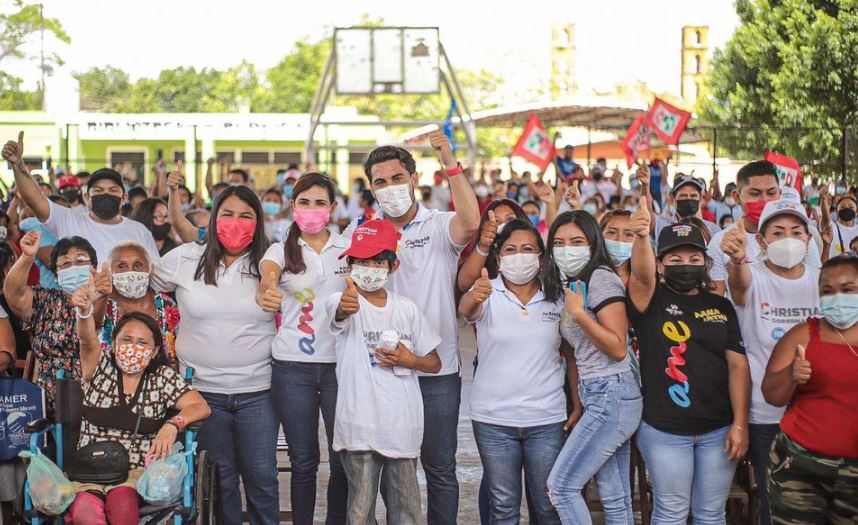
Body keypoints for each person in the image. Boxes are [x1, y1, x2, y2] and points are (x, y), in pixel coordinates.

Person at [343, 131, 480, 523]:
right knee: (391, 467)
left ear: (414, 179)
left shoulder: (438, 225)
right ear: (371, 188)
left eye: (397, 178)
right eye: (380, 182)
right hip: (384, 369)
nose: (390, 188)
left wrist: (447, 156)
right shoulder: (365, 234)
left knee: (439, 467)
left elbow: (470, 222)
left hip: (437, 368)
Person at [151, 185, 279, 524]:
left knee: (262, 477)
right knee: (219, 481)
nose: (236, 222)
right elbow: (141, 287)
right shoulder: (184, 258)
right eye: (227, 214)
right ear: (213, 217)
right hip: (202, 394)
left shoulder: (271, 262)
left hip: (259, 392)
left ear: (258, 222)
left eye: (246, 216)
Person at [628, 203, 751, 525]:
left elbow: (738, 366)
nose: (686, 265)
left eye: (694, 259)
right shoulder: (649, 300)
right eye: (676, 259)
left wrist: (740, 424)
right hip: (664, 430)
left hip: (719, 429)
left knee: (711, 514)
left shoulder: (720, 306)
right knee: (671, 512)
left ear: (706, 263)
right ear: (660, 264)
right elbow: (640, 274)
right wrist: (642, 236)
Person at [327, 219, 441, 524]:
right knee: (360, 512)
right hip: (358, 426)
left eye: (378, 261)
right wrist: (346, 305)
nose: (370, 268)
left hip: (402, 427)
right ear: (349, 266)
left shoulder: (407, 309)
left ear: (393, 266)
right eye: (362, 261)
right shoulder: (342, 301)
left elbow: (434, 362)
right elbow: (340, 313)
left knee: (407, 511)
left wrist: (409, 360)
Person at [458, 219, 566, 524]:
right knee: (503, 507)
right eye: (511, 249)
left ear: (541, 258)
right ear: (498, 257)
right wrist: (474, 296)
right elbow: (467, 310)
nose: (520, 256)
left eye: (528, 249)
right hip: (493, 420)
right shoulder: (487, 291)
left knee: (547, 507)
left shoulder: (556, 297)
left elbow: (569, 352)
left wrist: (577, 406)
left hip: (546, 418)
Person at [256, 173, 348, 525]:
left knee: (343, 458)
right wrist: (267, 289)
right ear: (292, 206)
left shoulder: (347, 247)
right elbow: (267, 277)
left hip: (341, 365)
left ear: (333, 207)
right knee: (304, 461)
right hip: (293, 368)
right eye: (304, 202)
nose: (312, 209)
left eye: (320, 202)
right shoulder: (279, 250)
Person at [67, 297, 209, 525]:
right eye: (126, 340)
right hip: (88, 472)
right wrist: (85, 312)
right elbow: (86, 340)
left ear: (154, 352)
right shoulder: (99, 368)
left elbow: (200, 406)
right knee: (86, 512)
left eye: (142, 343)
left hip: (133, 475)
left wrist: (173, 424)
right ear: (113, 345)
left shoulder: (161, 378)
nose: (133, 347)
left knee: (122, 508)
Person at [721, 197, 819, 525]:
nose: (788, 239)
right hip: (766, 416)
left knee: (818, 502)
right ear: (761, 241)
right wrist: (736, 260)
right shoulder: (754, 276)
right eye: (777, 232)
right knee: (774, 503)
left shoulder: (823, 282)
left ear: (808, 238)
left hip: (817, 413)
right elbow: (739, 286)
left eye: (796, 231)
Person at [542, 211, 641, 525]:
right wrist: (579, 403)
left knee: (561, 487)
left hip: (613, 391)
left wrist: (581, 315)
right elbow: (573, 356)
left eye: (576, 241)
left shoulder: (601, 277)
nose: (566, 249)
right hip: (597, 393)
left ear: (592, 243)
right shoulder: (573, 282)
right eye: (558, 242)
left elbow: (617, 347)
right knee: (615, 497)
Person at [762, 255, 858, 524]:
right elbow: (771, 395)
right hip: (800, 465)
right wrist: (792, 375)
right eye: (828, 291)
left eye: (848, 289)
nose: (837, 297)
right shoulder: (803, 334)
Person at [2, 132, 159, 266]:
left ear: (124, 197)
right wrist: (18, 165)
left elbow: (154, 273)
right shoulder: (69, 220)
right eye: (98, 190)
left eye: (112, 190)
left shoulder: (139, 232)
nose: (105, 194)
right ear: (86, 197)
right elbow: (35, 200)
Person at [3, 231, 97, 410]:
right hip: (48, 399)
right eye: (66, 264)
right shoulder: (45, 301)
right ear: (56, 274)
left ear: (93, 267)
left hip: (95, 397)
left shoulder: (107, 303)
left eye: (80, 261)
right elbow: (14, 293)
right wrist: (27, 257)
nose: (74, 268)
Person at [708, 161, 821, 296]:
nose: (765, 200)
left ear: (780, 194)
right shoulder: (722, 242)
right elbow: (716, 299)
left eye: (771, 193)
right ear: (737, 197)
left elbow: (815, 286)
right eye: (755, 194)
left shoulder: (799, 237)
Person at [96, 241, 181, 367]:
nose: (130, 272)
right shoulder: (103, 305)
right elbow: (89, 329)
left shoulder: (166, 305)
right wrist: (100, 296)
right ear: (110, 272)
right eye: (121, 266)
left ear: (150, 270)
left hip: (163, 383)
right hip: (112, 383)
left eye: (138, 265)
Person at [650, 173, 720, 239]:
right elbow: (648, 217)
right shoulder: (663, 226)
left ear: (700, 198)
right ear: (673, 199)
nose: (688, 199)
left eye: (693, 196)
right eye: (683, 196)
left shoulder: (713, 230)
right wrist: (645, 185)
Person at [821, 190, 858, 258]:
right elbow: (825, 216)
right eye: (842, 207)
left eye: (851, 207)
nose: (847, 208)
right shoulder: (831, 227)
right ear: (836, 211)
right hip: (833, 268)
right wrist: (824, 199)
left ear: (856, 212)